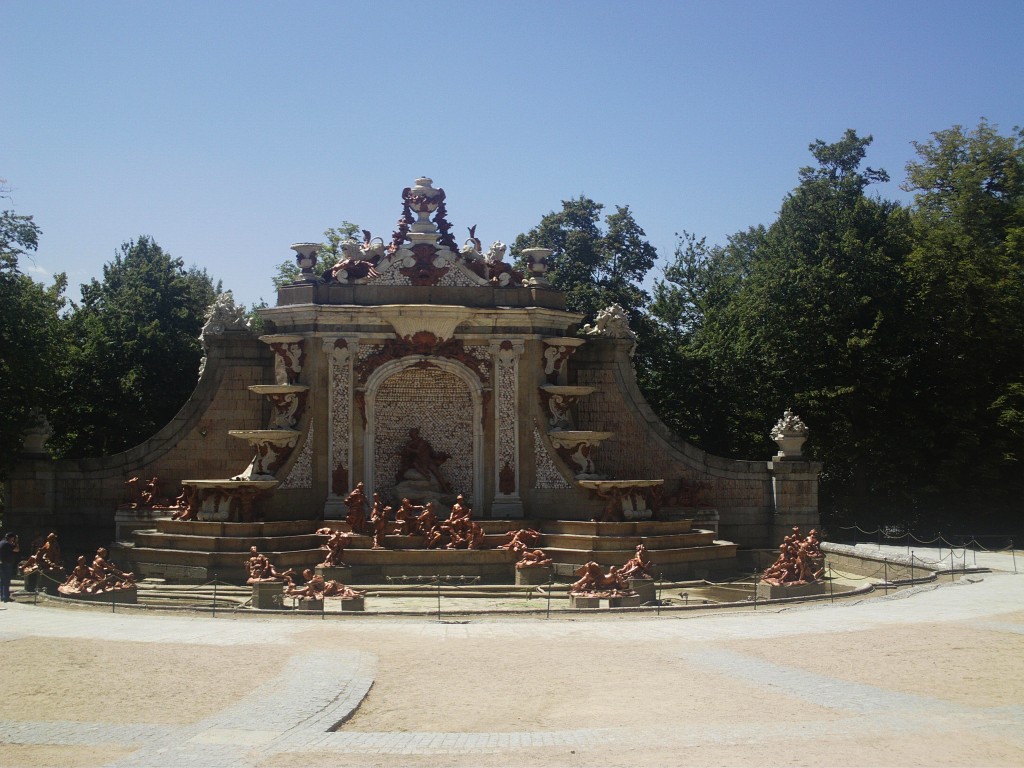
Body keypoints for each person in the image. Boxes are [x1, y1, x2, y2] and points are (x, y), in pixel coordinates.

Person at [0, 532, 21, 602]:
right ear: (11, 538)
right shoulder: (7, 544)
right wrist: (16, 542)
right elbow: (17, 549)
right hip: (7, 564)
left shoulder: (1, 542)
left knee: (2, 580)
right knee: (6, 580)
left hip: (1, 563)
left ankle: (2, 596)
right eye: (13, 538)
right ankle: (6, 597)